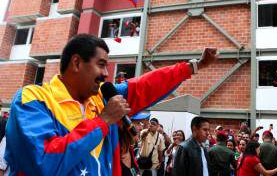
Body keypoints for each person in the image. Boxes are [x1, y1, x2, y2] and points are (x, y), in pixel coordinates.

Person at [5, 34, 218, 175]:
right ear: (77, 63)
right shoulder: (32, 99)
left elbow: (147, 85)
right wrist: (104, 121)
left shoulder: (103, 97)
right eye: (101, 65)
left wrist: (196, 66)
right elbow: (43, 162)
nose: (107, 74)